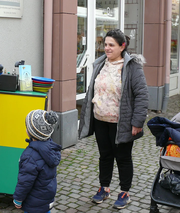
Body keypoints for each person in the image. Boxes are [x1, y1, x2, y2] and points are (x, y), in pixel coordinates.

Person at [78, 29, 149, 209]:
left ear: (122, 46)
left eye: (111, 45)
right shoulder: (101, 63)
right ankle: (104, 188)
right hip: (100, 119)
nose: (107, 48)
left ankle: (125, 192)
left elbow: (142, 95)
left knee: (123, 158)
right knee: (105, 156)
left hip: (121, 122)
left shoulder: (132, 67)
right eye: (105, 45)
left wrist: (137, 122)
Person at [13, 110, 62, 213]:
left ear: (30, 132)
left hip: (33, 202)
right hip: (46, 198)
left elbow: (25, 181)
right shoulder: (50, 148)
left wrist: (18, 199)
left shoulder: (30, 155)